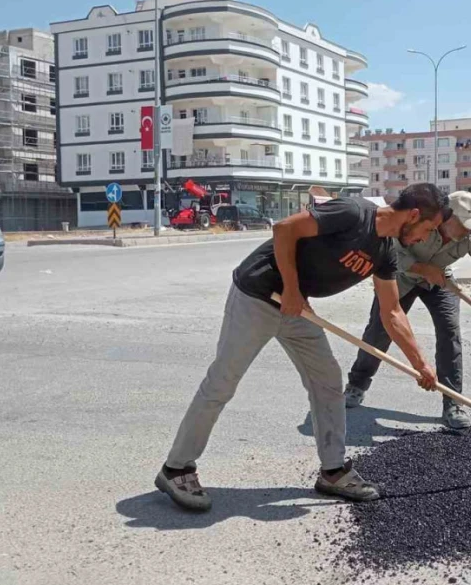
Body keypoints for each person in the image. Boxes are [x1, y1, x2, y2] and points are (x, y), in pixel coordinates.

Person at [156, 184, 448, 512]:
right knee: (222, 382)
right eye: (429, 228)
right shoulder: (353, 212)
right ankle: (176, 468)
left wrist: (421, 365)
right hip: (259, 295)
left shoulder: (385, 251)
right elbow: (284, 229)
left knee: (327, 382)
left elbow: (392, 311)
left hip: (298, 310)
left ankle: (333, 471)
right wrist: (292, 289)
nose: (426, 238)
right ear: (413, 215)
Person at [342, 191, 471, 428]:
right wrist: (420, 268)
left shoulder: (470, 237)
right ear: (446, 217)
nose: (467, 230)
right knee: (379, 331)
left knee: (449, 333)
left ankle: (453, 402)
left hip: (440, 282)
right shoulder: (420, 221)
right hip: (400, 280)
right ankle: (357, 385)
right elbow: (389, 250)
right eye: (463, 224)